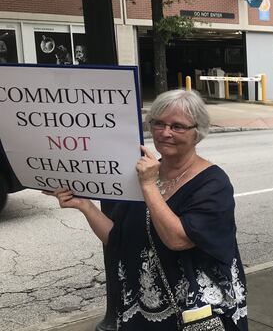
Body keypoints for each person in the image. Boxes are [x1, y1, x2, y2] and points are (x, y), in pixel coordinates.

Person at [46, 89, 248, 330]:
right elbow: (118, 239)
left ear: (198, 132)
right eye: (158, 123)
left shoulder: (213, 183)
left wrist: (149, 185)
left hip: (194, 313)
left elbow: (178, 240)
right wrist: (84, 205)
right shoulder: (146, 174)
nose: (165, 133)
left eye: (178, 126)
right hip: (146, 309)